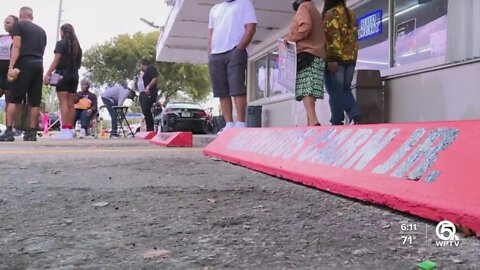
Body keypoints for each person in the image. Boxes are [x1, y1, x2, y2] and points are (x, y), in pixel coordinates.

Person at [207, 0, 257, 132]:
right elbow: (210, 33)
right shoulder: (215, 9)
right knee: (221, 91)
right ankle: (228, 124)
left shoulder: (245, 3)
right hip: (216, 54)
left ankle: (240, 123)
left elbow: (251, 27)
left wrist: (240, 48)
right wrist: (210, 53)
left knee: (237, 88)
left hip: (235, 50)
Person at [0, 7, 47, 142]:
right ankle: (31, 132)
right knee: (34, 100)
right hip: (38, 64)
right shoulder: (41, 31)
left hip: (23, 64)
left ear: (20, 15)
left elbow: (16, 46)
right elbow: (43, 50)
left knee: (14, 98)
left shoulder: (18, 26)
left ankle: (9, 131)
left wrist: (11, 66)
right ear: (31, 16)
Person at [284, 0, 326, 126]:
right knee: (311, 89)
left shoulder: (303, 7)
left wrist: (290, 38)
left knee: (305, 88)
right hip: (318, 55)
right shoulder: (314, 9)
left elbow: (305, 26)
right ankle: (310, 122)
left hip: (307, 53)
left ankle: (313, 121)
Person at [322, 0, 360, 125]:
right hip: (351, 58)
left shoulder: (331, 14)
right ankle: (355, 114)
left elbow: (333, 37)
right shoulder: (351, 14)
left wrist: (332, 59)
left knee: (335, 91)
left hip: (336, 59)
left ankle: (337, 121)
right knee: (344, 90)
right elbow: (354, 38)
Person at [44, 23, 82, 139]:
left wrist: (48, 73)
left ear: (62, 32)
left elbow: (56, 60)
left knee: (63, 103)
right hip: (74, 74)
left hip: (63, 74)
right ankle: (69, 129)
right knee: (71, 104)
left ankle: (64, 130)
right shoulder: (78, 47)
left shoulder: (61, 44)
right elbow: (79, 64)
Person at [0, 15, 19, 125]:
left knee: (9, 100)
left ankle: (9, 126)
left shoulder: (17, 38)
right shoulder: (2, 37)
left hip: (9, 71)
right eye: (4, 22)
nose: (5, 25)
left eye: (8, 22)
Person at [138, 59, 158, 132]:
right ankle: (149, 128)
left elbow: (154, 78)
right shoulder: (144, 72)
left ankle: (151, 128)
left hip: (148, 92)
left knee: (146, 109)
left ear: (142, 64)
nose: (140, 67)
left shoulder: (151, 68)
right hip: (143, 93)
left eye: (140, 65)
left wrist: (148, 87)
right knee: (145, 111)